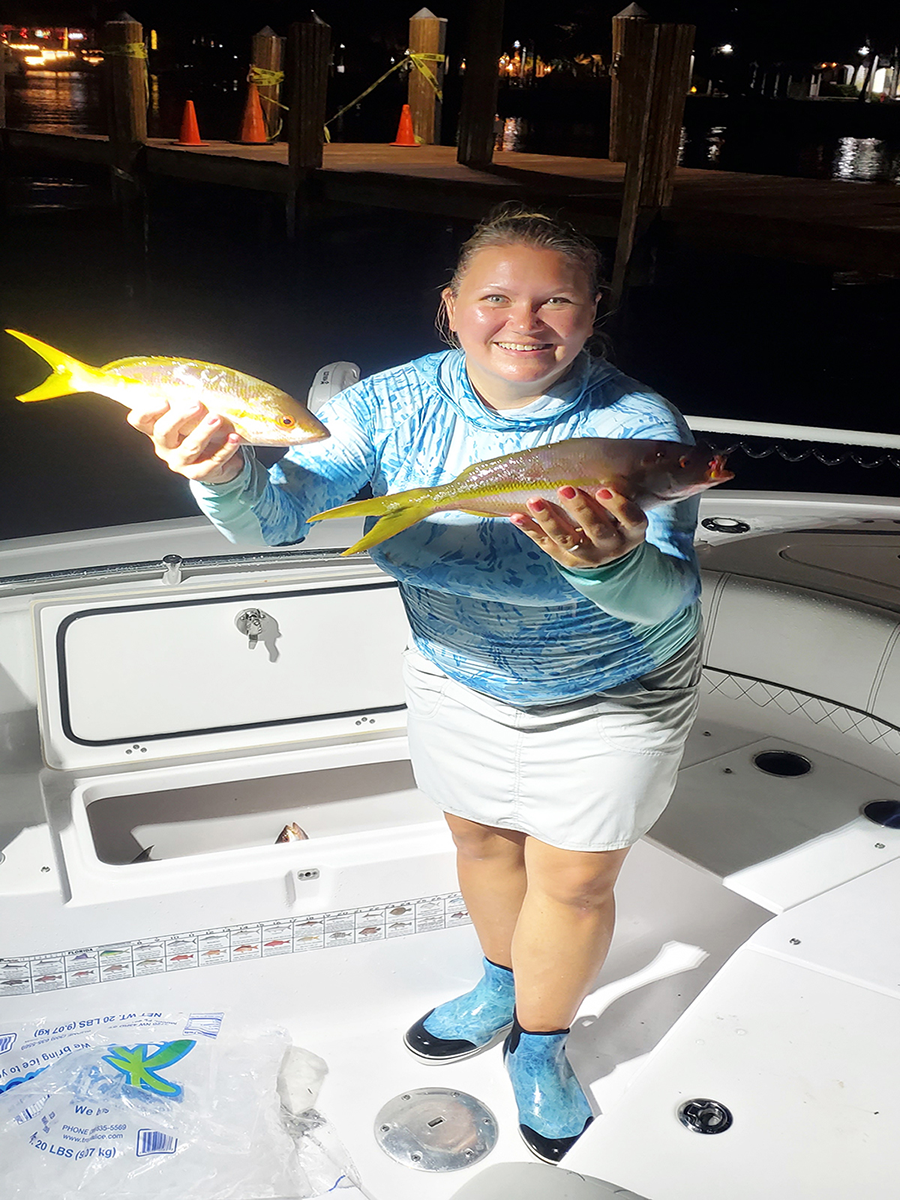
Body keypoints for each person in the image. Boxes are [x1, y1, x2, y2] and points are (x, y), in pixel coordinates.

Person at [127, 205, 702, 1164]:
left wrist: (609, 567)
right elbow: (274, 523)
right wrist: (225, 473)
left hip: (613, 687)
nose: (525, 322)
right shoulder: (385, 411)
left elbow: (662, 598)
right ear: (450, 308)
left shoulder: (634, 428)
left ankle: (542, 1045)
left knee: (573, 880)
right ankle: (494, 982)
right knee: (481, 844)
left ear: (593, 310)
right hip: (459, 675)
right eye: (495, 298)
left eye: (557, 299)